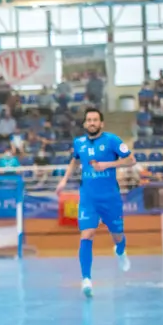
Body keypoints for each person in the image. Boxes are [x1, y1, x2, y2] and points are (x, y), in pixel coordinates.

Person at [56, 109, 136, 297]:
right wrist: (64, 180)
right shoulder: (79, 143)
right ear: (85, 124)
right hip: (88, 198)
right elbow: (74, 161)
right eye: (89, 120)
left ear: (102, 124)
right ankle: (86, 279)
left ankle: (121, 250)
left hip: (110, 198)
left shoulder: (112, 140)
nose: (92, 123)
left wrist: (107, 165)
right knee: (87, 234)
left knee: (117, 234)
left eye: (95, 120)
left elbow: (131, 160)